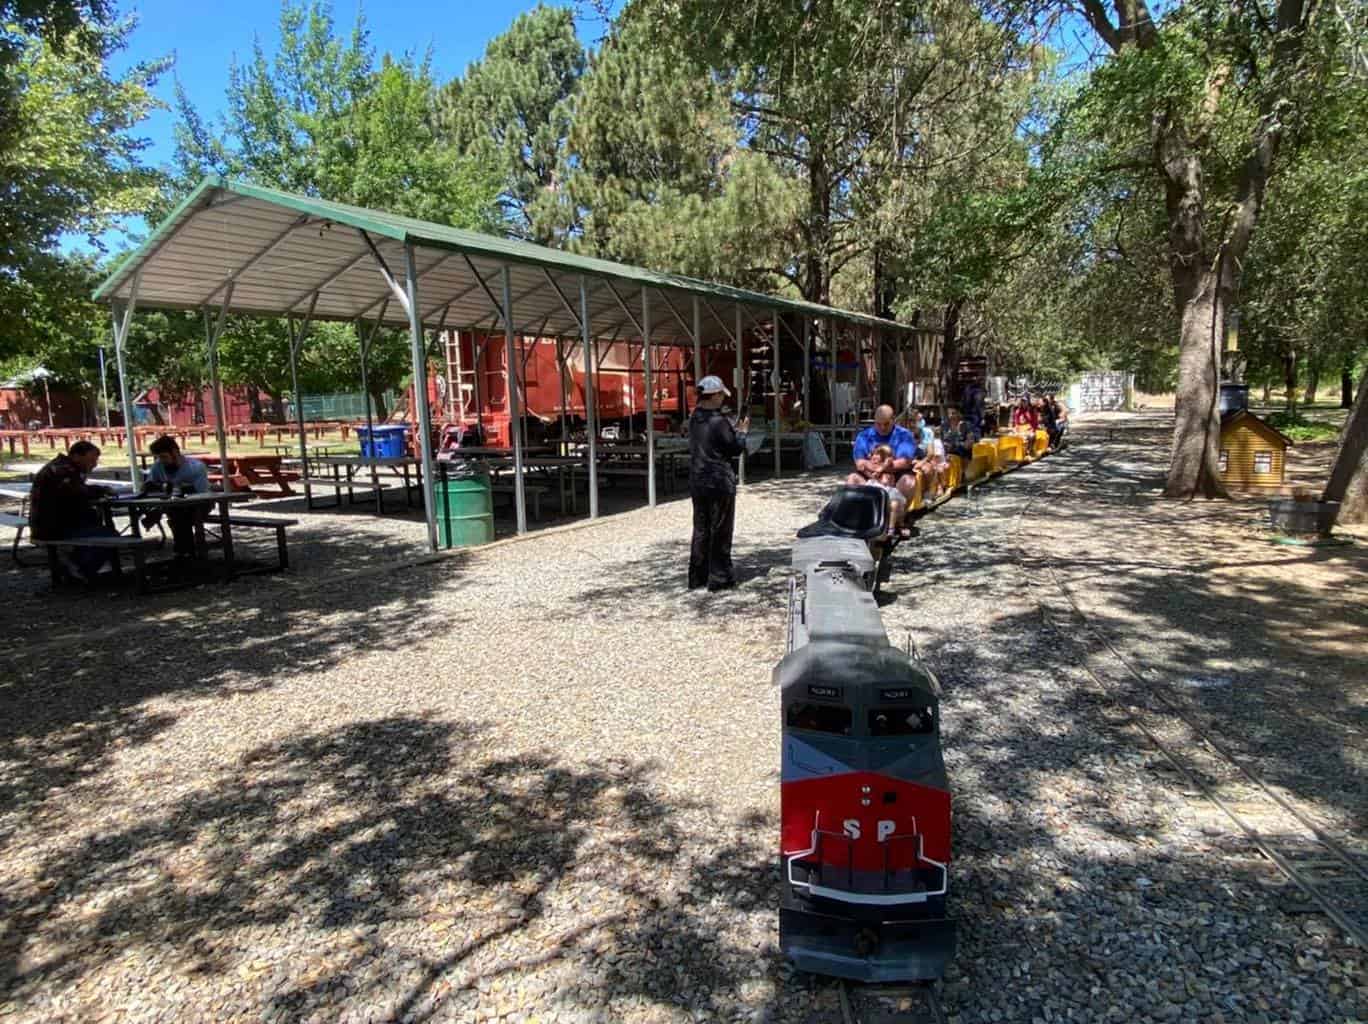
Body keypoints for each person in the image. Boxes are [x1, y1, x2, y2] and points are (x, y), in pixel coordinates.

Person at [688, 376, 749, 591]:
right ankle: (720, 577)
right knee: (721, 529)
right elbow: (734, 448)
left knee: (701, 529)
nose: (723, 399)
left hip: (698, 479)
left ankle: (697, 577)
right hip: (719, 480)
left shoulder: (695, 417)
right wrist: (741, 432)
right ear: (714, 395)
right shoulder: (718, 421)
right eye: (721, 395)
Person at [29, 440, 118, 581]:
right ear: (76, 456)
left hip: (51, 524)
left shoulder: (63, 467)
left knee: (97, 525)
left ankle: (75, 565)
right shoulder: (63, 470)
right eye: (91, 460)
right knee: (111, 536)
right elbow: (79, 492)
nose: (94, 464)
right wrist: (102, 490)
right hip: (53, 527)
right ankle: (79, 569)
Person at [848, 404, 920, 532]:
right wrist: (879, 468)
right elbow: (859, 462)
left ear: (893, 420)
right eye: (878, 424)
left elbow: (904, 462)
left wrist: (876, 467)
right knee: (852, 479)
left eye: (886, 424)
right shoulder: (864, 436)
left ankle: (899, 520)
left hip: (895, 477)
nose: (882, 427)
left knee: (909, 481)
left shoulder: (904, 435)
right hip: (871, 477)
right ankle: (859, 517)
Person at [144, 435, 211, 558]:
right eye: (158, 457)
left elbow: (202, 494)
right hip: (173, 506)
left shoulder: (195, 467)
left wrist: (175, 490)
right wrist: (154, 487)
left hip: (201, 503)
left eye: (164, 457)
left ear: (175, 452)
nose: (162, 461)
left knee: (179, 514)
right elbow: (150, 486)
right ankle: (185, 553)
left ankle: (184, 552)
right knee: (176, 513)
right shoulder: (158, 466)